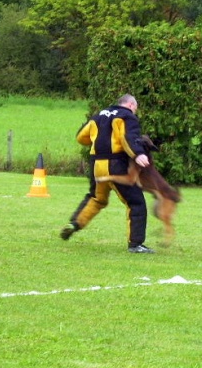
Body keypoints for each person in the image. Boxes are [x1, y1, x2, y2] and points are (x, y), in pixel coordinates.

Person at [60, 94, 154, 253]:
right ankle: (135, 244)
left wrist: (99, 139)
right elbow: (128, 137)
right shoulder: (127, 117)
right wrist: (138, 154)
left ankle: (74, 223)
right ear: (131, 105)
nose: (135, 112)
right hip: (116, 165)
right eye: (135, 109)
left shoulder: (98, 117)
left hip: (97, 165)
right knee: (136, 203)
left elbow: (81, 137)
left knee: (96, 198)